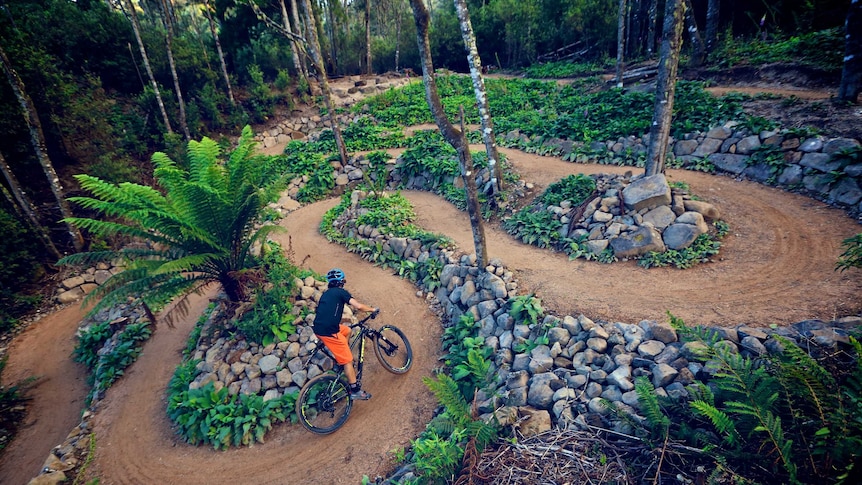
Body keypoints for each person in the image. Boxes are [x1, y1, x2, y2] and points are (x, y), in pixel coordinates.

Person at [312, 268, 378, 400]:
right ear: (341, 282)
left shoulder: (326, 294)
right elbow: (358, 306)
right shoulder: (341, 292)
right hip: (329, 332)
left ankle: (340, 359)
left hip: (319, 329)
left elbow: (329, 312)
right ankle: (354, 390)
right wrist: (372, 309)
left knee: (347, 330)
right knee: (348, 361)